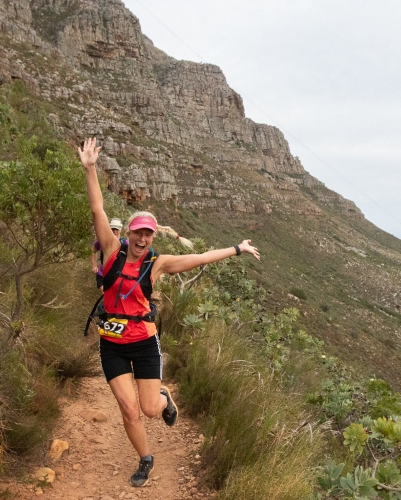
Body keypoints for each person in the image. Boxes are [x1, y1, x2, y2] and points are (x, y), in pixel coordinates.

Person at [77, 137, 260, 488]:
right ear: (129, 232)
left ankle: (164, 397)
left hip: (144, 343)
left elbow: (199, 258)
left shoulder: (157, 264)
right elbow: (98, 209)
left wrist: (236, 249)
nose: (143, 238)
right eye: (138, 232)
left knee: (149, 409)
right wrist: (90, 169)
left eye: (148, 234)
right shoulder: (112, 250)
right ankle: (145, 459)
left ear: (152, 236)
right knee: (128, 408)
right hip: (112, 344)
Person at [91, 218, 124, 288]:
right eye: (113, 229)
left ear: (120, 230)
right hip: (102, 275)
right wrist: (94, 265)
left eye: (117, 229)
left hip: (117, 277)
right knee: (106, 293)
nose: (114, 231)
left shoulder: (125, 243)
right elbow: (93, 251)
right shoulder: (101, 242)